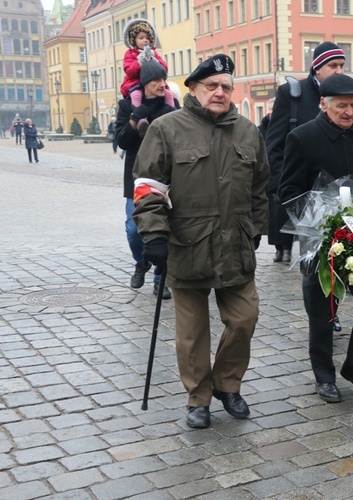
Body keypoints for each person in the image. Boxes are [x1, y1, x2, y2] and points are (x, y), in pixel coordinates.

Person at [132, 54, 269, 429]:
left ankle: (227, 384)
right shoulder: (166, 128)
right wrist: (154, 234)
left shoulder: (247, 131)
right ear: (193, 88)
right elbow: (148, 187)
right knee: (192, 334)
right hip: (187, 244)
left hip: (236, 244)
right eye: (212, 86)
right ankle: (198, 397)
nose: (220, 92)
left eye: (226, 86)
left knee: (245, 319)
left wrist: (256, 228)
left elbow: (260, 187)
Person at [278, 74, 353, 404]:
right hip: (322, 239)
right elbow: (287, 192)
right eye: (341, 106)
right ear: (323, 105)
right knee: (323, 311)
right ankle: (324, 375)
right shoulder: (302, 138)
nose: (348, 112)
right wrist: (322, 219)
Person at [265, 42, 353, 268]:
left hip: (345, 191)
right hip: (307, 192)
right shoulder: (292, 94)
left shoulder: (348, 91)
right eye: (333, 65)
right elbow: (275, 145)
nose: (339, 70)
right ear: (317, 68)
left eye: (341, 65)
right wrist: (283, 188)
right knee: (315, 264)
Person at [115, 51, 177, 298]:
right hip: (136, 177)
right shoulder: (128, 106)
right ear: (144, 83)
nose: (162, 84)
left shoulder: (171, 108)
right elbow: (122, 141)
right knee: (133, 228)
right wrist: (135, 118)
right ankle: (141, 263)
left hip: (166, 177)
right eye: (156, 80)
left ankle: (160, 278)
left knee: (166, 227)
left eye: (164, 80)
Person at [120, 18, 174, 117]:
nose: (145, 40)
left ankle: (172, 114)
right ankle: (139, 118)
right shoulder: (130, 54)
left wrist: (155, 60)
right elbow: (129, 71)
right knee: (136, 94)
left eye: (147, 38)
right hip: (135, 82)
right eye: (141, 38)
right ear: (134, 40)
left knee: (169, 94)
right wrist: (139, 61)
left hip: (153, 82)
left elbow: (164, 69)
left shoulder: (154, 52)